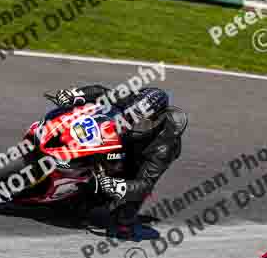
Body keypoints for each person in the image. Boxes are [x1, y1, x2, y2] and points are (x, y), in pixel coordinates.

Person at [54, 85, 188, 239]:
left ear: (157, 121)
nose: (132, 124)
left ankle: (125, 221)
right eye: (131, 116)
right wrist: (75, 94)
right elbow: (102, 92)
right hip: (117, 136)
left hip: (140, 159)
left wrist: (118, 186)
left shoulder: (165, 148)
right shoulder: (134, 101)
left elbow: (145, 184)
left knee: (127, 200)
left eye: (140, 121)